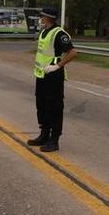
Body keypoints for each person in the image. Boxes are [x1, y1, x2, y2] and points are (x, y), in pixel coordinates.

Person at [27, 8, 78, 152]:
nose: (40, 18)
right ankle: (44, 135)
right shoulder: (44, 32)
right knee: (42, 106)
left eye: (42, 16)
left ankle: (54, 140)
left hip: (53, 76)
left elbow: (73, 52)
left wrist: (57, 66)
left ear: (48, 18)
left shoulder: (59, 33)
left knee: (54, 108)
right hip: (42, 75)